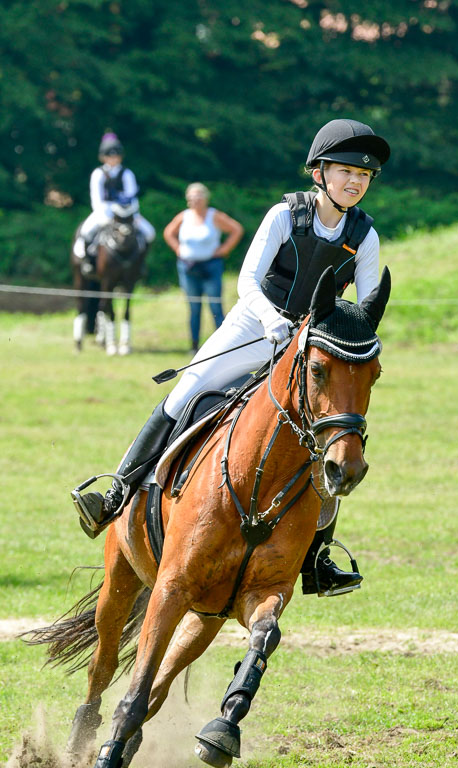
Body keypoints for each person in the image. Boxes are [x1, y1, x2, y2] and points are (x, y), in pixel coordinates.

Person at [72, 118, 391, 595]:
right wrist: (272, 321)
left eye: (364, 176)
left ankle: (317, 556)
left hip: (310, 348)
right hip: (255, 325)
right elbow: (246, 282)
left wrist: (359, 344)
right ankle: (117, 492)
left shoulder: (365, 236)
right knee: (188, 392)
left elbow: (362, 311)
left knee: (331, 436)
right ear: (318, 172)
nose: (355, 182)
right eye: (345, 171)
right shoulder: (284, 216)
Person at [163, 183, 244, 352]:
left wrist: (224, 249)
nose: (195, 200)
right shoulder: (183, 217)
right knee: (194, 307)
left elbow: (236, 229)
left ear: (205, 198)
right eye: (192, 197)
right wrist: (178, 249)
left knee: (215, 306)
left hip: (211, 266)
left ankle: (223, 346)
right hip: (188, 267)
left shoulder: (214, 216)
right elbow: (168, 232)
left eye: (199, 197)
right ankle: (194, 346)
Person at [73, 133, 156, 274]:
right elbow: (96, 198)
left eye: (116, 156)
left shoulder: (127, 173)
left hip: (126, 211)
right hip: (104, 211)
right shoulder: (98, 174)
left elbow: (132, 195)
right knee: (86, 231)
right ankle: (88, 261)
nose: (113, 159)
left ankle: (141, 263)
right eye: (109, 156)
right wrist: (103, 215)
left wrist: (131, 212)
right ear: (103, 157)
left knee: (149, 233)